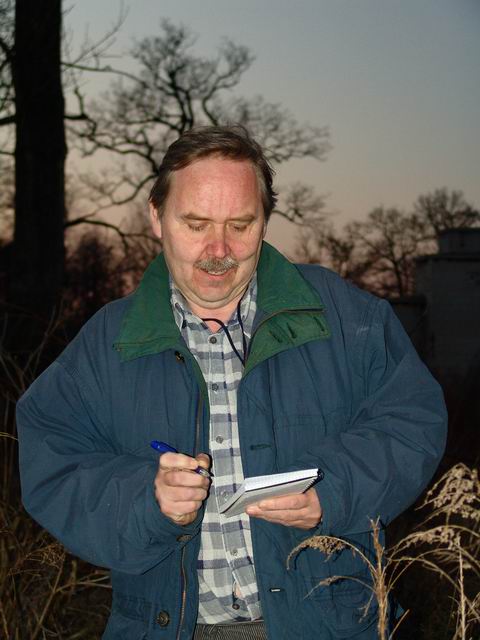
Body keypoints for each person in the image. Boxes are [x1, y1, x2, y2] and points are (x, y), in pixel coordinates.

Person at [17, 125, 447, 640]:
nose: (218, 249)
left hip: (330, 624)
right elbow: (52, 460)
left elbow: (412, 419)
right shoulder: (107, 341)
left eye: (240, 224)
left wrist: (332, 490)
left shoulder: (342, 314)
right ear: (156, 217)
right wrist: (146, 500)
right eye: (195, 224)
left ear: (264, 221)